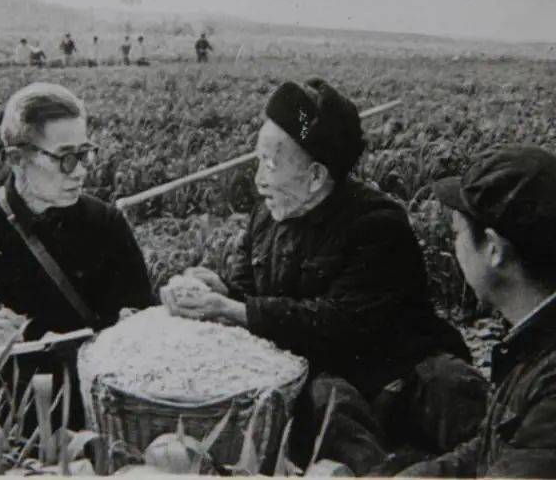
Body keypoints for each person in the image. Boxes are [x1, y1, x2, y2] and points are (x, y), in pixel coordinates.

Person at [163, 78, 488, 474]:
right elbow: (252, 293)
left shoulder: (377, 223)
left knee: (452, 396)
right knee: (326, 403)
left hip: (398, 372)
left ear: (316, 176)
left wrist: (230, 307)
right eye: (258, 160)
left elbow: (338, 323)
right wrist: (222, 291)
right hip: (325, 376)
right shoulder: (268, 214)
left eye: (270, 164)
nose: (258, 179)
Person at [0, 82, 154, 428]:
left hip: (94, 417)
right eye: (65, 158)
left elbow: (143, 312)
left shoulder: (105, 222)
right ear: (16, 159)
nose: (80, 171)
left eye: (84, 154)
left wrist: (132, 325)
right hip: (4, 425)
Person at [397, 146, 556, 478]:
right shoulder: (537, 336)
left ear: (494, 250)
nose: (455, 246)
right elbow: (493, 448)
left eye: (457, 234)